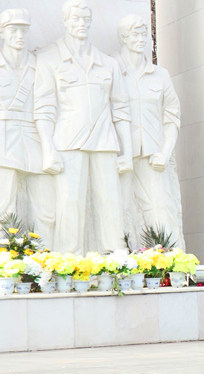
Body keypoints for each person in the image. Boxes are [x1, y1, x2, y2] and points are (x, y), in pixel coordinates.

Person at [34, 0, 132, 254]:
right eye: (76, 19)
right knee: (70, 201)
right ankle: (69, 256)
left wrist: (127, 152)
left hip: (105, 142)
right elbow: (43, 108)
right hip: (67, 141)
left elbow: (121, 109)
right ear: (65, 21)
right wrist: (48, 149)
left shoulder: (108, 63)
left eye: (86, 20)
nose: (81, 24)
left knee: (110, 200)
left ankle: (116, 254)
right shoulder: (48, 60)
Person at [114, 15, 183, 248]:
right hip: (119, 155)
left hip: (153, 155)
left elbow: (171, 117)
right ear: (123, 38)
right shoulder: (111, 70)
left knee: (162, 210)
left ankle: (169, 260)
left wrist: (165, 152)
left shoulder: (160, 75)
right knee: (120, 211)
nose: (141, 39)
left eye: (145, 34)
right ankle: (119, 260)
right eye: (135, 34)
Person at [0, 9, 55, 245]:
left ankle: (50, 256)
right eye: (13, 30)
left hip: (34, 138)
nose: (19, 36)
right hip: (4, 139)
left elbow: (48, 102)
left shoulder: (39, 65)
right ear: (2, 33)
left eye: (24, 30)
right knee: (4, 207)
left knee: (46, 209)